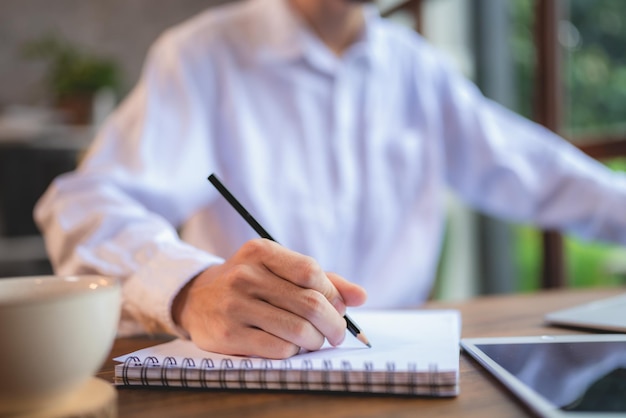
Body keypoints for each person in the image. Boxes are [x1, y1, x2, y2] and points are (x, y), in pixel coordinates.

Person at [34, 0, 626, 359]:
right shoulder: (201, 55)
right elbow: (83, 203)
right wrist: (188, 288)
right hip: (252, 380)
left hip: (407, 372)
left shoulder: (417, 69)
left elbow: (542, 173)